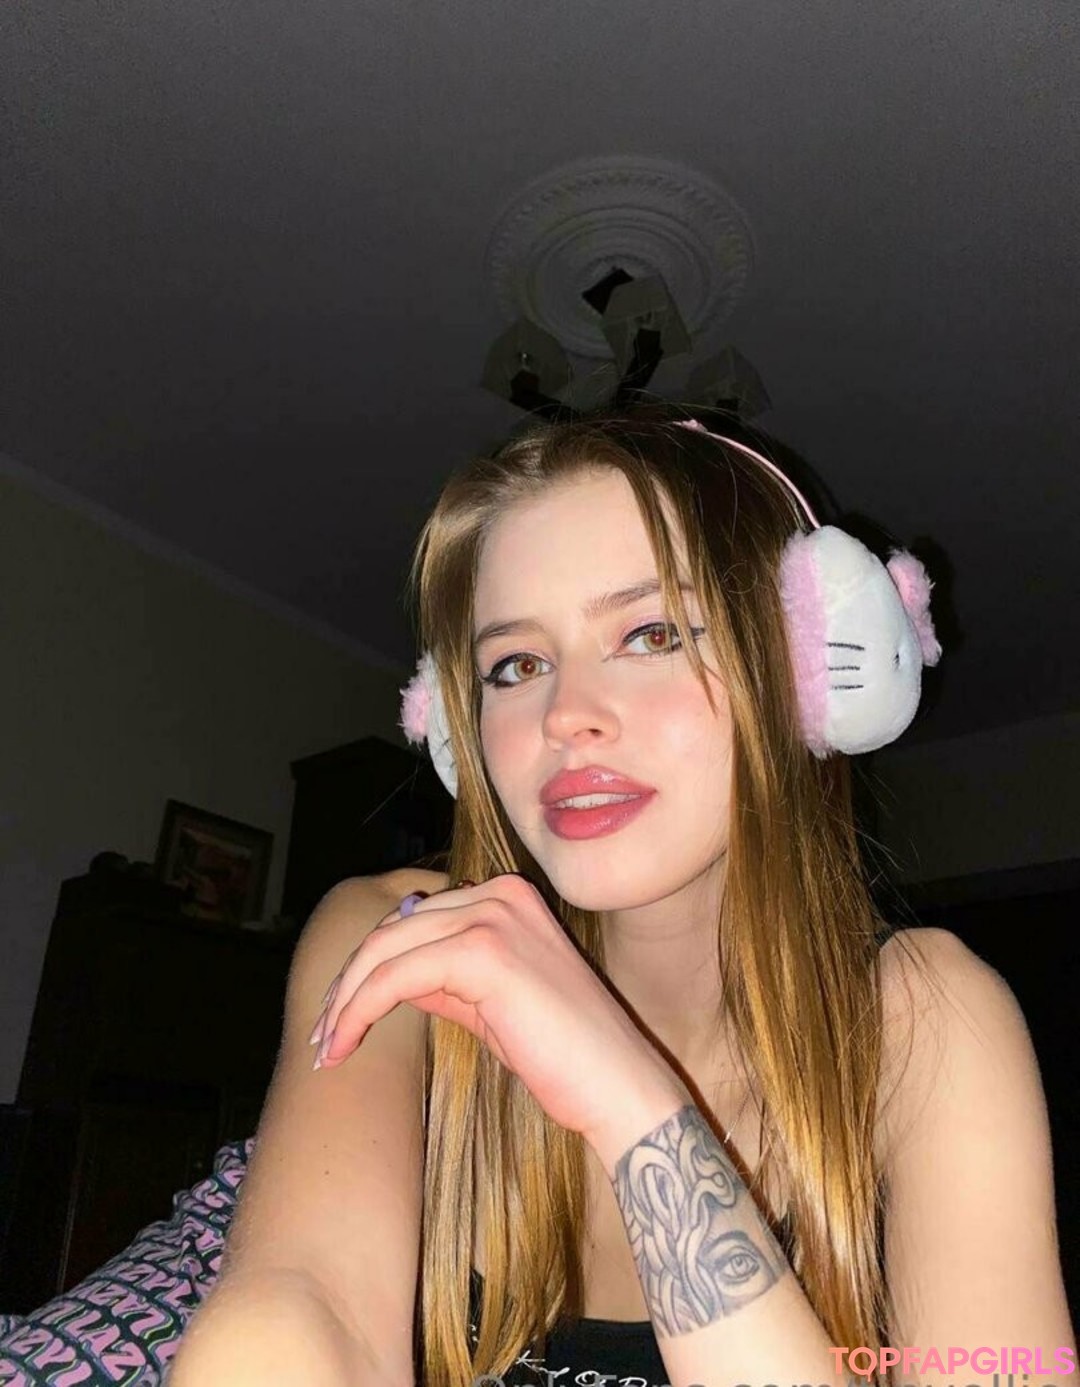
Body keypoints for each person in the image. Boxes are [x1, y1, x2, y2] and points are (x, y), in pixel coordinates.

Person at [167, 404, 1075, 1387]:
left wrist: (634, 1106)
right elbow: (304, 1308)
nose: (565, 715)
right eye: (516, 664)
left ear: (805, 676)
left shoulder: (933, 1021)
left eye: (650, 633)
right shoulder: (402, 944)